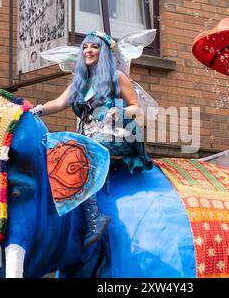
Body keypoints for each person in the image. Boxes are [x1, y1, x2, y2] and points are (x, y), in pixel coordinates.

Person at [30, 31, 153, 248]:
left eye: (94, 47)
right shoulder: (80, 83)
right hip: (90, 139)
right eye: (85, 47)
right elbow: (59, 103)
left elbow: (136, 107)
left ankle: (95, 217)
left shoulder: (117, 76)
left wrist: (119, 110)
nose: (88, 50)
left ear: (104, 52)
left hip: (116, 135)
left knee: (78, 156)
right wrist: (35, 111)